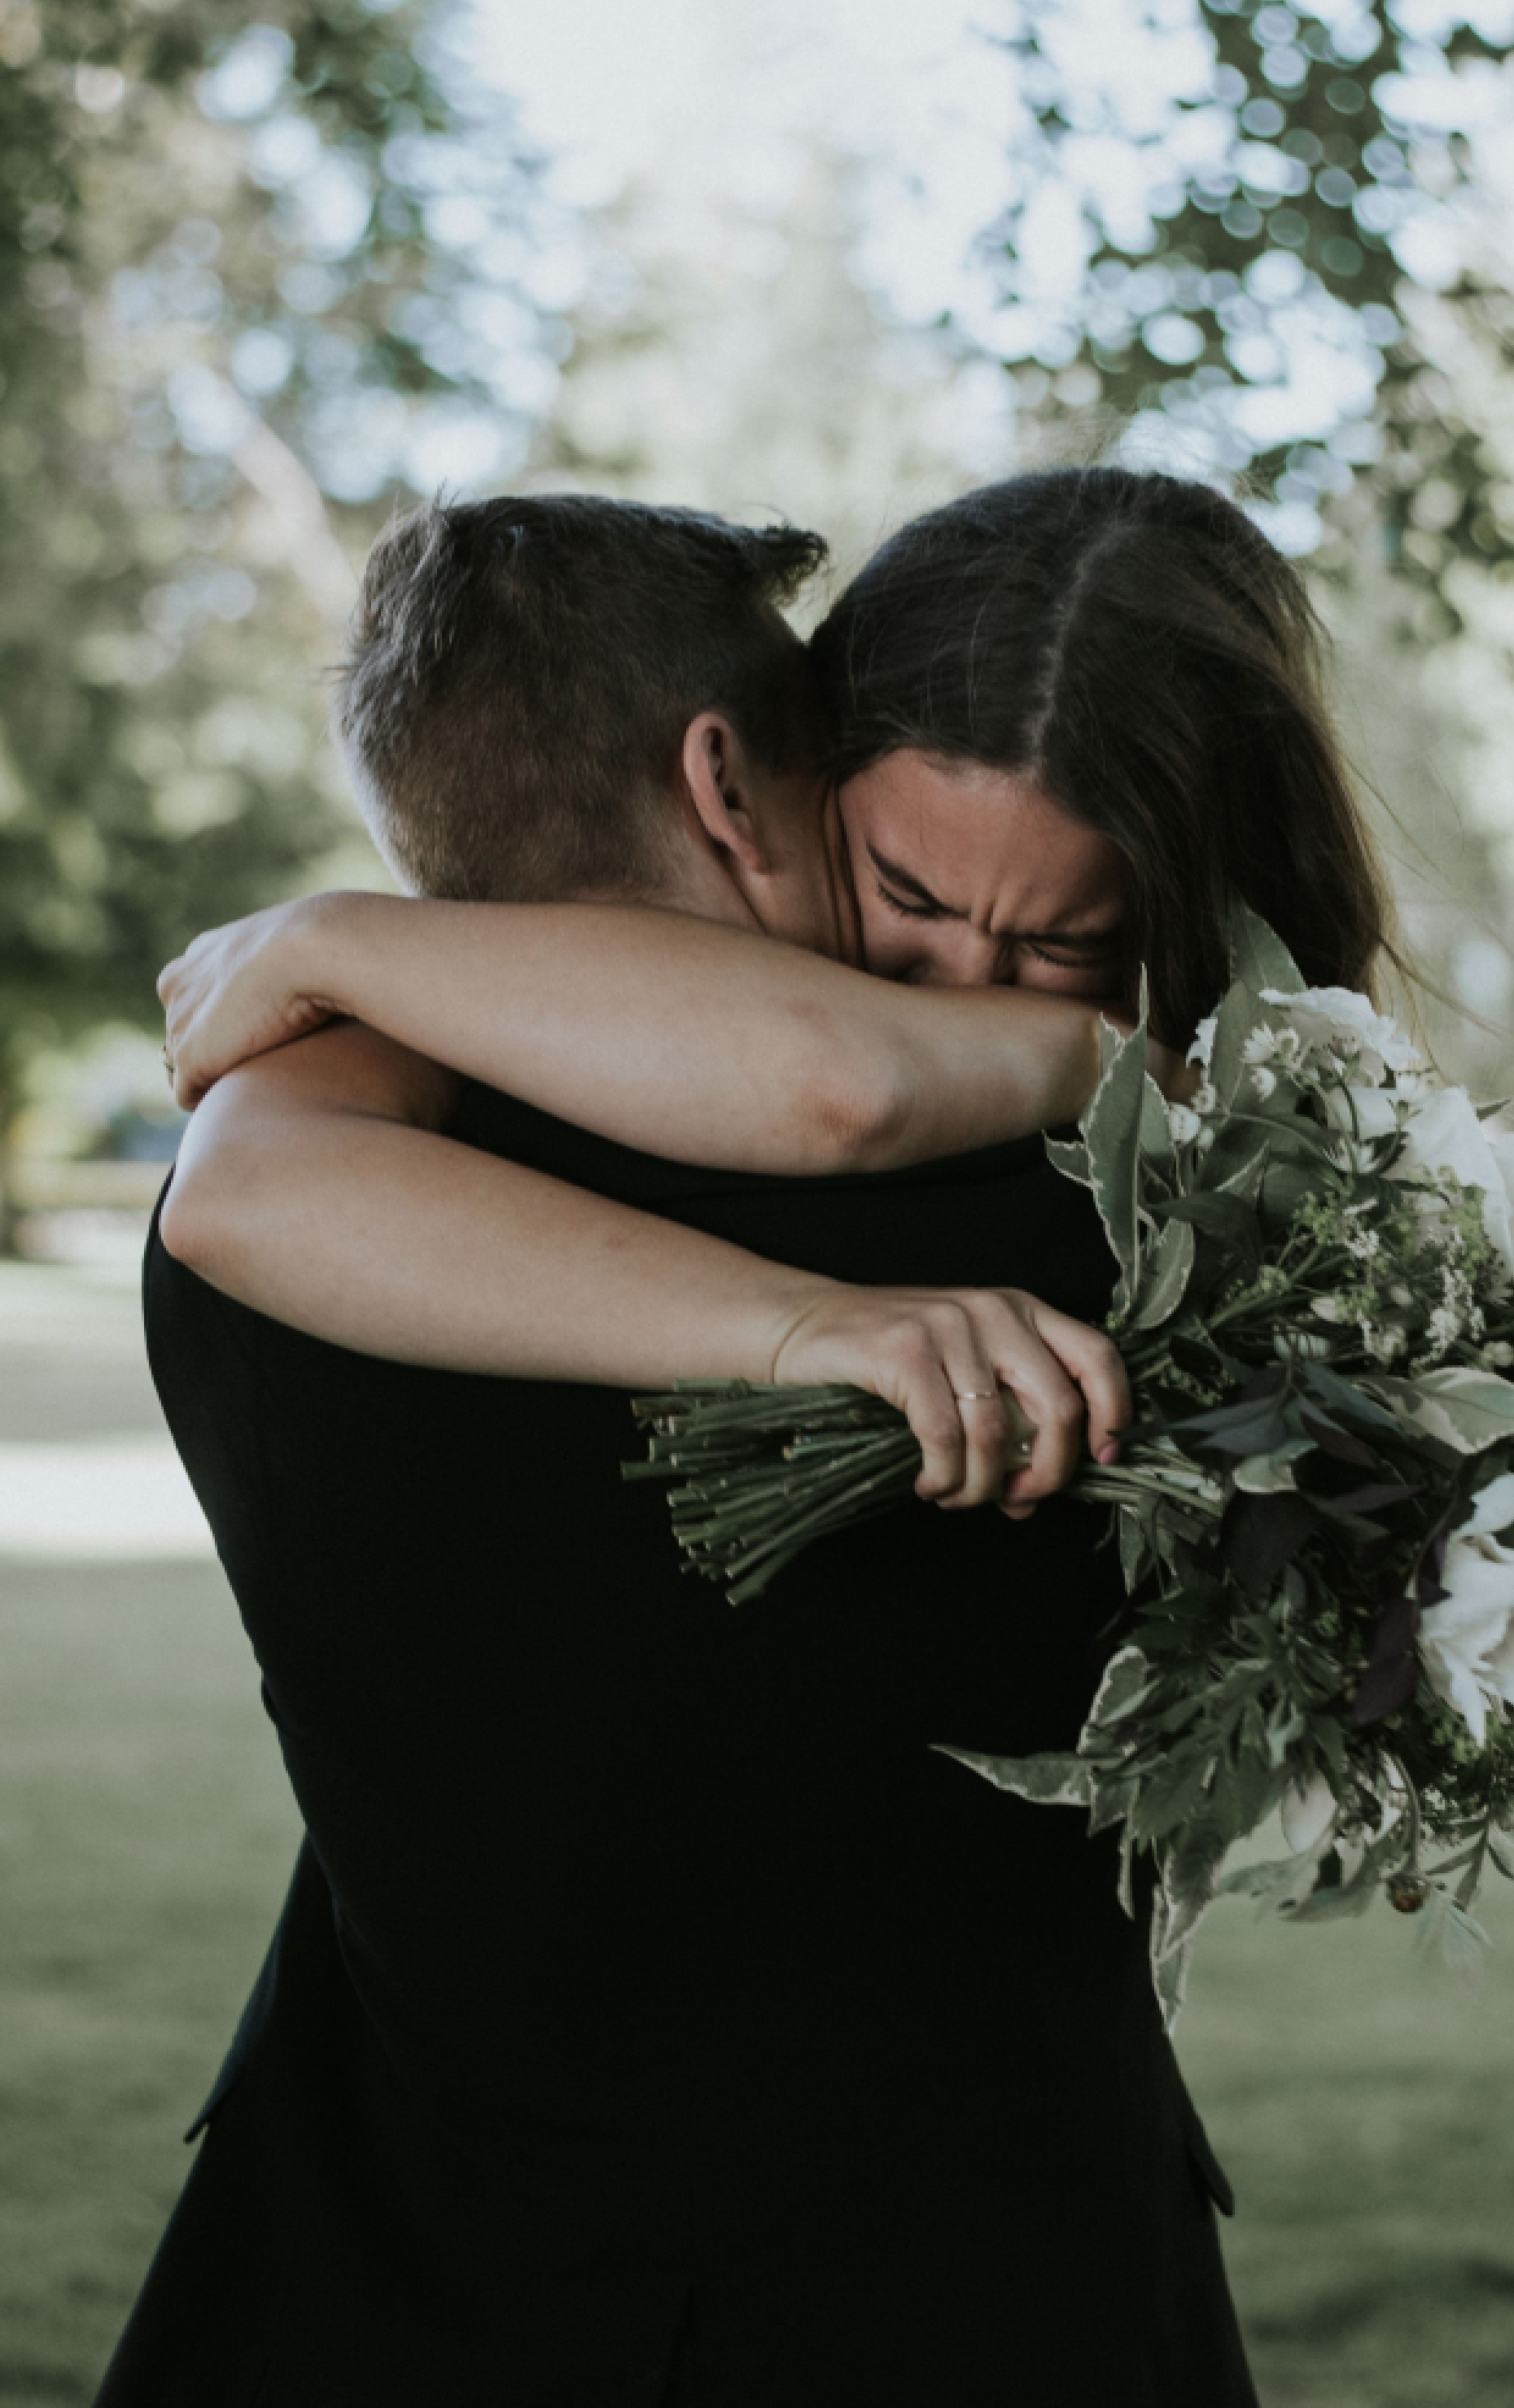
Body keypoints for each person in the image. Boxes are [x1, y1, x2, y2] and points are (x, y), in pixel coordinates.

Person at [105, 471, 1389, 2403]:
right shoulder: (1158, 1243)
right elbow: (841, 1085)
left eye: (1050, 942)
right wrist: (1130, 1062)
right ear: (738, 776)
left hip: (376, 2287)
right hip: (1012, 2298)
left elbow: (833, 1077)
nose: (954, 975)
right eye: (908, 885)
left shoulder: (298, 1175)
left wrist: (335, 937)